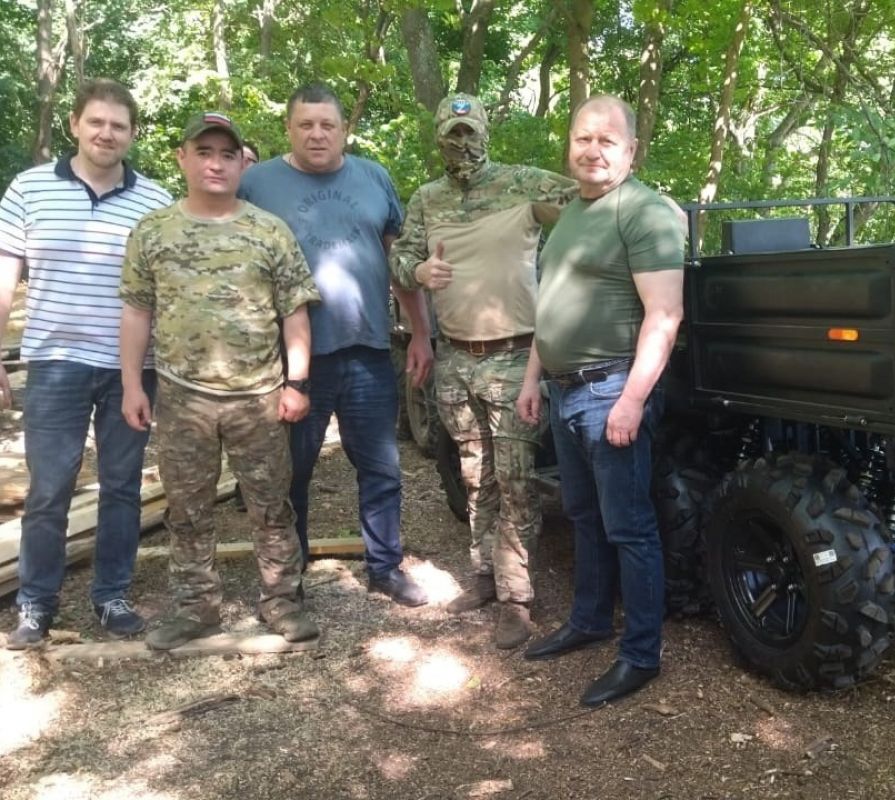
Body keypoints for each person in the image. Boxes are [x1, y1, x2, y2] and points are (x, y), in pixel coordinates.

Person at [119, 112, 320, 649]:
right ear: (182, 158)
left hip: (258, 398)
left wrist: (297, 383)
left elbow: (295, 313)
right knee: (186, 510)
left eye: (227, 154)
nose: (215, 163)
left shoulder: (269, 230)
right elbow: (137, 312)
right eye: (204, 152)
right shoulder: (154, 231)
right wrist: (132, 386)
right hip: (182, 398)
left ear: (240, 164)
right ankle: (196, 608)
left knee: (271, 506)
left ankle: (282, 601)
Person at [391, 93, 576, 649]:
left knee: (516, 480)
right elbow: (399, 256)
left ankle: (517, 598)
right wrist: (419, 270)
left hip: (516, 355)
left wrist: (649, 213)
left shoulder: (522, 184)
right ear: (438, 138)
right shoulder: (428, 199)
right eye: (453, 134)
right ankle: (485, 576)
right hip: (455, 358)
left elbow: (590, 202)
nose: (462, 144)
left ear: (485, 133)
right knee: (475, 475)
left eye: (470, 132)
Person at [517, 95, 685, 706]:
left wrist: (633, 399)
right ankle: (589, 621)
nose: (592, 150)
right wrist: (532, 378)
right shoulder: (569, 214)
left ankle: (641, 654)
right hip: (565, 391)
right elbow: (551, 306)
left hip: (611, 389)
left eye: (607, 141)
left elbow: (664, 314)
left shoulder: (643, 212)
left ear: (631, 150)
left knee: (629, 528)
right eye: (583, 138)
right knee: (583, 516)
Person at [239, 84, 433, 606]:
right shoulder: (256, 184)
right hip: (293, 363)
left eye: (328, 125)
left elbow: (399, 265)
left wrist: (420, 332)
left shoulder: (374, 178)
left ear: (345, 129)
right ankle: (290, 577)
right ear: (288, 128)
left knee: (381, 468)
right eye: (306, 125)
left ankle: (385, 568)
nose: (317, 134)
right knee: (292, 474)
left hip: (369, 350)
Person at [0, 79, 171, 649]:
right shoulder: (29, 189)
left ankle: (112, 595)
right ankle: (35, 603)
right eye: (96, 121)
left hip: (132, 370)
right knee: (50, 488)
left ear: (132, 133)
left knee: (122, 485)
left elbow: (167, 291)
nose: (106, 133)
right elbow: (4, 277)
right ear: (75, 123)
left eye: (118, 125)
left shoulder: (155, 202)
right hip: (55, 363)